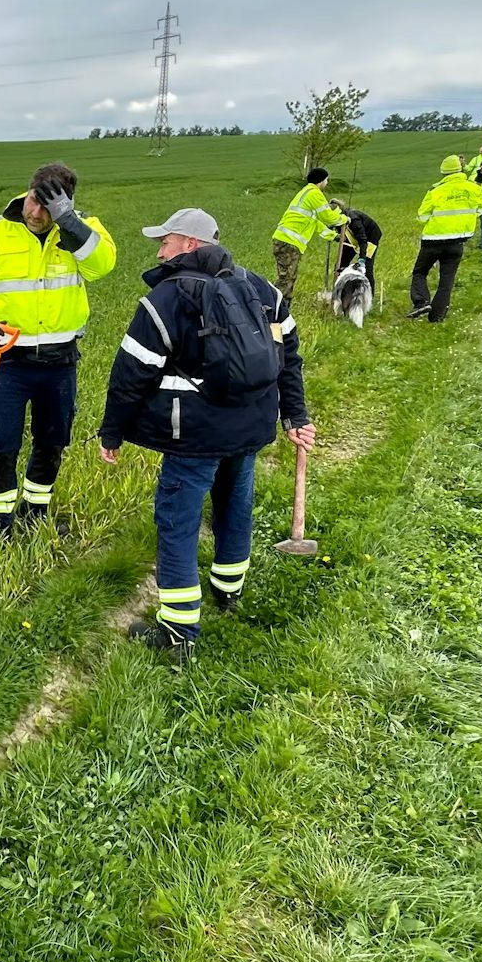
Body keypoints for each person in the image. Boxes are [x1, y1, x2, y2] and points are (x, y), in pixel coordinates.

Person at [95, 209, 315, 661]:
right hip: (251, 429)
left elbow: (130, 376)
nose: (160, 251)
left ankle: (177, 632)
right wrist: (294, 415)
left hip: (192, 436)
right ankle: (227, 592)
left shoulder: (165, 300)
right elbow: (289, 357)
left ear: (191, 246)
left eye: (167, 241)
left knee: (177, 523)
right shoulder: (262, 289)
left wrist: (111, 433)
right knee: (236, 506)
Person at [0, 161, 117, 534]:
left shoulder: (82, 231)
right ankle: (0, 521)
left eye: (47, 207)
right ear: (27, 192)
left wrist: (70, 222)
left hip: (60, 359)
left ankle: (35, 511)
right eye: (33, 201)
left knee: (52, 439)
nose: (36, 213)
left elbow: (102, 266)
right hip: (8, 357)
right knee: (0, 442)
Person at [408, 154, 482, 322]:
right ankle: (437, 317)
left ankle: (421, 302)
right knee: (447, 280)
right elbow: (480, 209)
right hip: (457, 241)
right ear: (461, 169)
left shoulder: (436, 191)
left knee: (420, 272)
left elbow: (422, 215)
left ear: (444, 172)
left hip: (433, 240)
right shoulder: (474, 189)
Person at [270, 167, 350, 303]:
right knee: (286, 279)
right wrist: (345, 219)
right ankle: (278, 309)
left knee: (287, 277)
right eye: (326, 180)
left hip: (284, 241)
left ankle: (276, 306)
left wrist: (333, 236)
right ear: (321, 180)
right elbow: (328, 217)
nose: (327, 183)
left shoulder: (306, 193)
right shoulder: (314, 193)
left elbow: (317, 223)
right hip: (289, 242)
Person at [327, 198, 381, 285]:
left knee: (367, 268)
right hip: (353, 238)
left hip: (370, 237)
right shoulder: (337, 221)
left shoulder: (353, 220)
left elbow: (363, 240)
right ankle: (341, 290)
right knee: (340, 264)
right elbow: (343, 237)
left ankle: (369, 295)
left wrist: (362, 259)